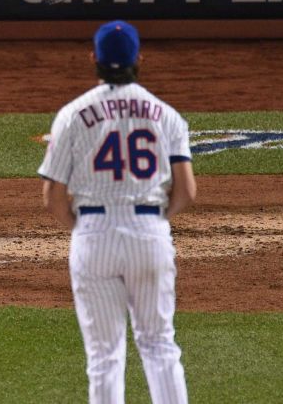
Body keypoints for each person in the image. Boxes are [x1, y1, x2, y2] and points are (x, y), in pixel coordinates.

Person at [38, 20, 196, 404]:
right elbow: (187, 190)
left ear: (93, 58)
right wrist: (156, 220)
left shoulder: (73, 114)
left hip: (94, 234)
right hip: (149, 233)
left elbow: (53, 195)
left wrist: (85, 228)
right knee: (160, 345)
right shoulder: (167, 114)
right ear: (139, 58)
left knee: (104, 358)